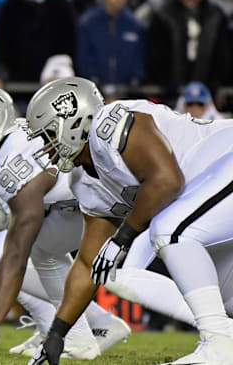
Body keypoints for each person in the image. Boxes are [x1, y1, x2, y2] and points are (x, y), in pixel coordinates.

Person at [25, 77, 233, 364]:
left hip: (226, 159)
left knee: (168, 232)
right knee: (221, 292)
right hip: (214, 194)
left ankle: (219, 345)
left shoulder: (109, 124)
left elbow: (166, 182)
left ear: (72, 122)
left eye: (49, 136)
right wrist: (58, 333)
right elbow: (88, 263)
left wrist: (121, 239)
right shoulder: (84, 180)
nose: (46, 149)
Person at [146, 0, 230, 99]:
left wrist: (215, 83)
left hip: (207, 90)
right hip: (171, 90)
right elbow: (155, 52)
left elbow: (223, 53)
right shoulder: (163, 15)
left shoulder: (215, 16)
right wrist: (165, 82)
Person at [0, 0, 76, 83]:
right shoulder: (13, 6)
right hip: (18, 74)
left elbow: (69, 40)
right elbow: (2, 39)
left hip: (52, 74)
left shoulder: (60, 6)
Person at [76, 0, 145, 86]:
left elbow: (139, 57)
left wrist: (135, 80)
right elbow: (84, 57)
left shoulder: (134, 24)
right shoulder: (88, 22)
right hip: (95, 89)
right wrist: (93, 80)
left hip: (128, 91)